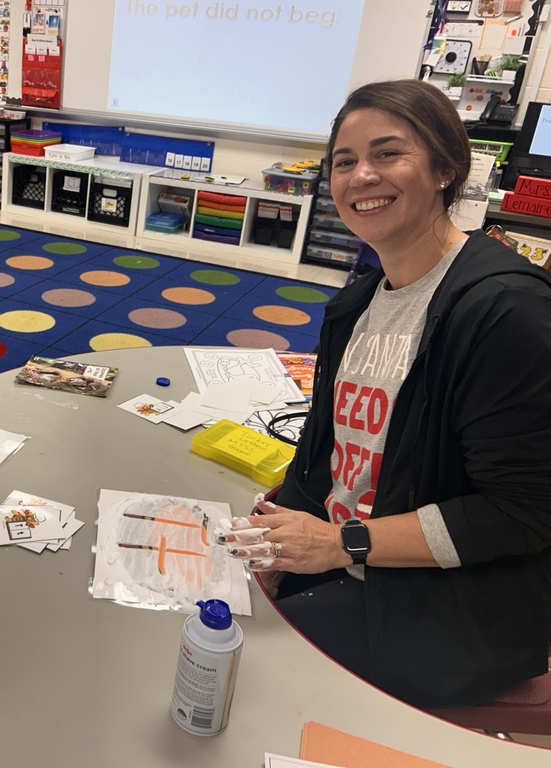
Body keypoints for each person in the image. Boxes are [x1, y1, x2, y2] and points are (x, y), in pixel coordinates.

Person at [217, 79, 551, 709]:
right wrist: (285, 526)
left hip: (444, 605)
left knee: (238, 670)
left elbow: (521, 514)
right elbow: (327, 448)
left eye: (388, 153)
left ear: (446, 168)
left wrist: (339, 543)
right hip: (348, 564)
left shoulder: (506, 311)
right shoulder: (357, 304)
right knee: (203, 607)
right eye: (344, 162)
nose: (361, 176)